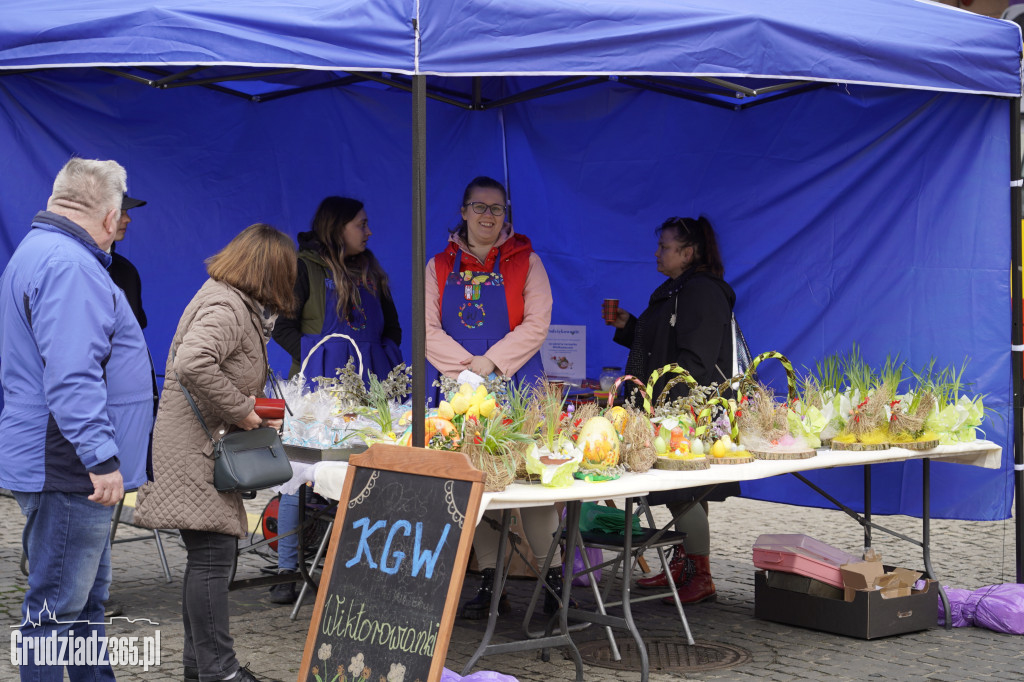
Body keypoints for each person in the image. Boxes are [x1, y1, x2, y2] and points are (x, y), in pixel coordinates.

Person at [0, 158, 154, 681]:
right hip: (69, 462)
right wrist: (102, 457)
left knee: (85, 603)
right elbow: (71, 375)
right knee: (58, 609)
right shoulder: (70, 265)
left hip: (59, 457)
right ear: (110, 218)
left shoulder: (41, 250)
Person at [135, 224, 296, 682]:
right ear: (269, 271)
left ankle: (201, 669)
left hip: (194, 445)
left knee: (208, 558)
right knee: (212, 559)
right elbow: (192, 363)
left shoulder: (228, 300)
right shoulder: (226, 307)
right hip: (194, 450)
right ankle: (220, 672)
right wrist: (246, 412)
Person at [425, 175, 564, 619]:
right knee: (474, 485)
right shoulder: (437, 266)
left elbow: (538, 324)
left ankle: (555, 580)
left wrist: (491, 363)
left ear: (506, 215)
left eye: (497, 209)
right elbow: (426, 328)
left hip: (518, 388)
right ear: (463, 211)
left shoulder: (528, 261)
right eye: (479, 207)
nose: (488, 216)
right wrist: (467, 367)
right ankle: (491, 579)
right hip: (458, 394)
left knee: (534, 483)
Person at [269, 196, 402, 604]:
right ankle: (286, 570)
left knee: (371, 470)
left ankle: (361, 567)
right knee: (298, 476)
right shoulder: (304, 267)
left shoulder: (373, 271)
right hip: (317, 396)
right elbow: (281, 326)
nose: (369, 230)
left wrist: (384, 363)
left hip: (370, 391)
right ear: (337, 226)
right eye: (361, 223)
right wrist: (316, 355)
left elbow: (393, 329)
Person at [608, 215, 736, 605]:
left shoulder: (701, 292)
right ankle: (686, 566)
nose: (657, 252)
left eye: (664, 246)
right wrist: (629, 326)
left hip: (686, 410)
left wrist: (664, 409)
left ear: (688, 252)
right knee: (684, 492)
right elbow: (664, 342)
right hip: (671, 406)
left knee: (686, 491)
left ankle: (701, 575)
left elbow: (695, 360)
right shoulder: (676, 289)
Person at [108, 193, 148, 328]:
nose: (128, 219)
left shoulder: (126, 270)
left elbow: (135, 329)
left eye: (126, 212)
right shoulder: (69, 264)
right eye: (120, 213)